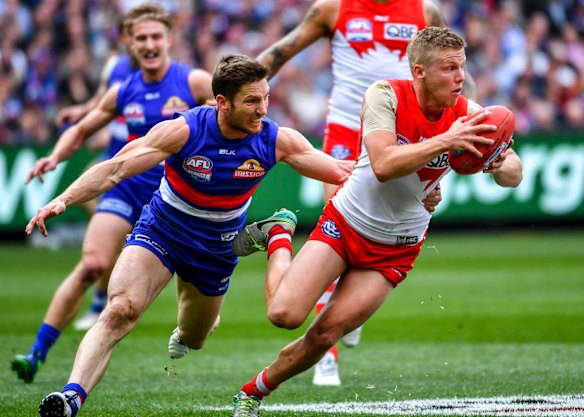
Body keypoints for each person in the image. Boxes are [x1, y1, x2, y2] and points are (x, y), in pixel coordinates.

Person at [26, 53, 353, 417]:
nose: (263, 109)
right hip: (163, 230)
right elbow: (116, 168)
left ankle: (190, 327)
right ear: (222, 103)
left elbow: (341, 170)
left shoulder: (276, 140)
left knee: (196, 337)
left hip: (216, 249)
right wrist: (63, 200)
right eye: (252, 101)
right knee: (120, 310)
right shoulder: (185, 130)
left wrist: (417, 176)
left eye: (266, 98)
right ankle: (72, 397)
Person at [231, 26, 523, 416]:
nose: (459, 78)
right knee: (283, 315)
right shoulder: (385, 95)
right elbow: (384, 166)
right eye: (449, 69)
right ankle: (279, 233)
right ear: (419, 72)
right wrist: (445, 142)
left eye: (461, 68)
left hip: (395, 249)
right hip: (347, 222)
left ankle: (253, 392)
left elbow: (513, 174)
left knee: (326, 334)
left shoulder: (467, 115)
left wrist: (500, 160)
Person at [255, 0, 475, 385]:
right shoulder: (333, 8)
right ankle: (329, 354)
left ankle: (335, 327)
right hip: (348, 130)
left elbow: (456, 74)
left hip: (408, 131)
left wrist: (475, 116)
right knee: (341, 224)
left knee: (380, 217)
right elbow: (281, 52)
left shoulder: (425, 11)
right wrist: (240, 90)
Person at [11, 2, 213, 384]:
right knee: (91, 264)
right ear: (129, 43)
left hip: (177, 199)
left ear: (169, 39)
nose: (150, 44)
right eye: (141, 38)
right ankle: (36, 354)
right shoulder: (124, 90)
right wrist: (55, 156)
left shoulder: (195, 82)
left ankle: (192, 326)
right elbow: (83, 129)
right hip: (128, 187)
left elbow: (228, 116)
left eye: (156, 36)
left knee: (196, 292)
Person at [57, 20, 138, 333]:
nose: (142, 44)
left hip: (145, 164)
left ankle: (104, 295)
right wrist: (83, 111)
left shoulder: (172, 75)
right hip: (114, 159)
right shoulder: (114, 67)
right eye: (134, 36)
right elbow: (102, 100)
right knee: (91, 197)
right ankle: (101, 296)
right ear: (124, 39)